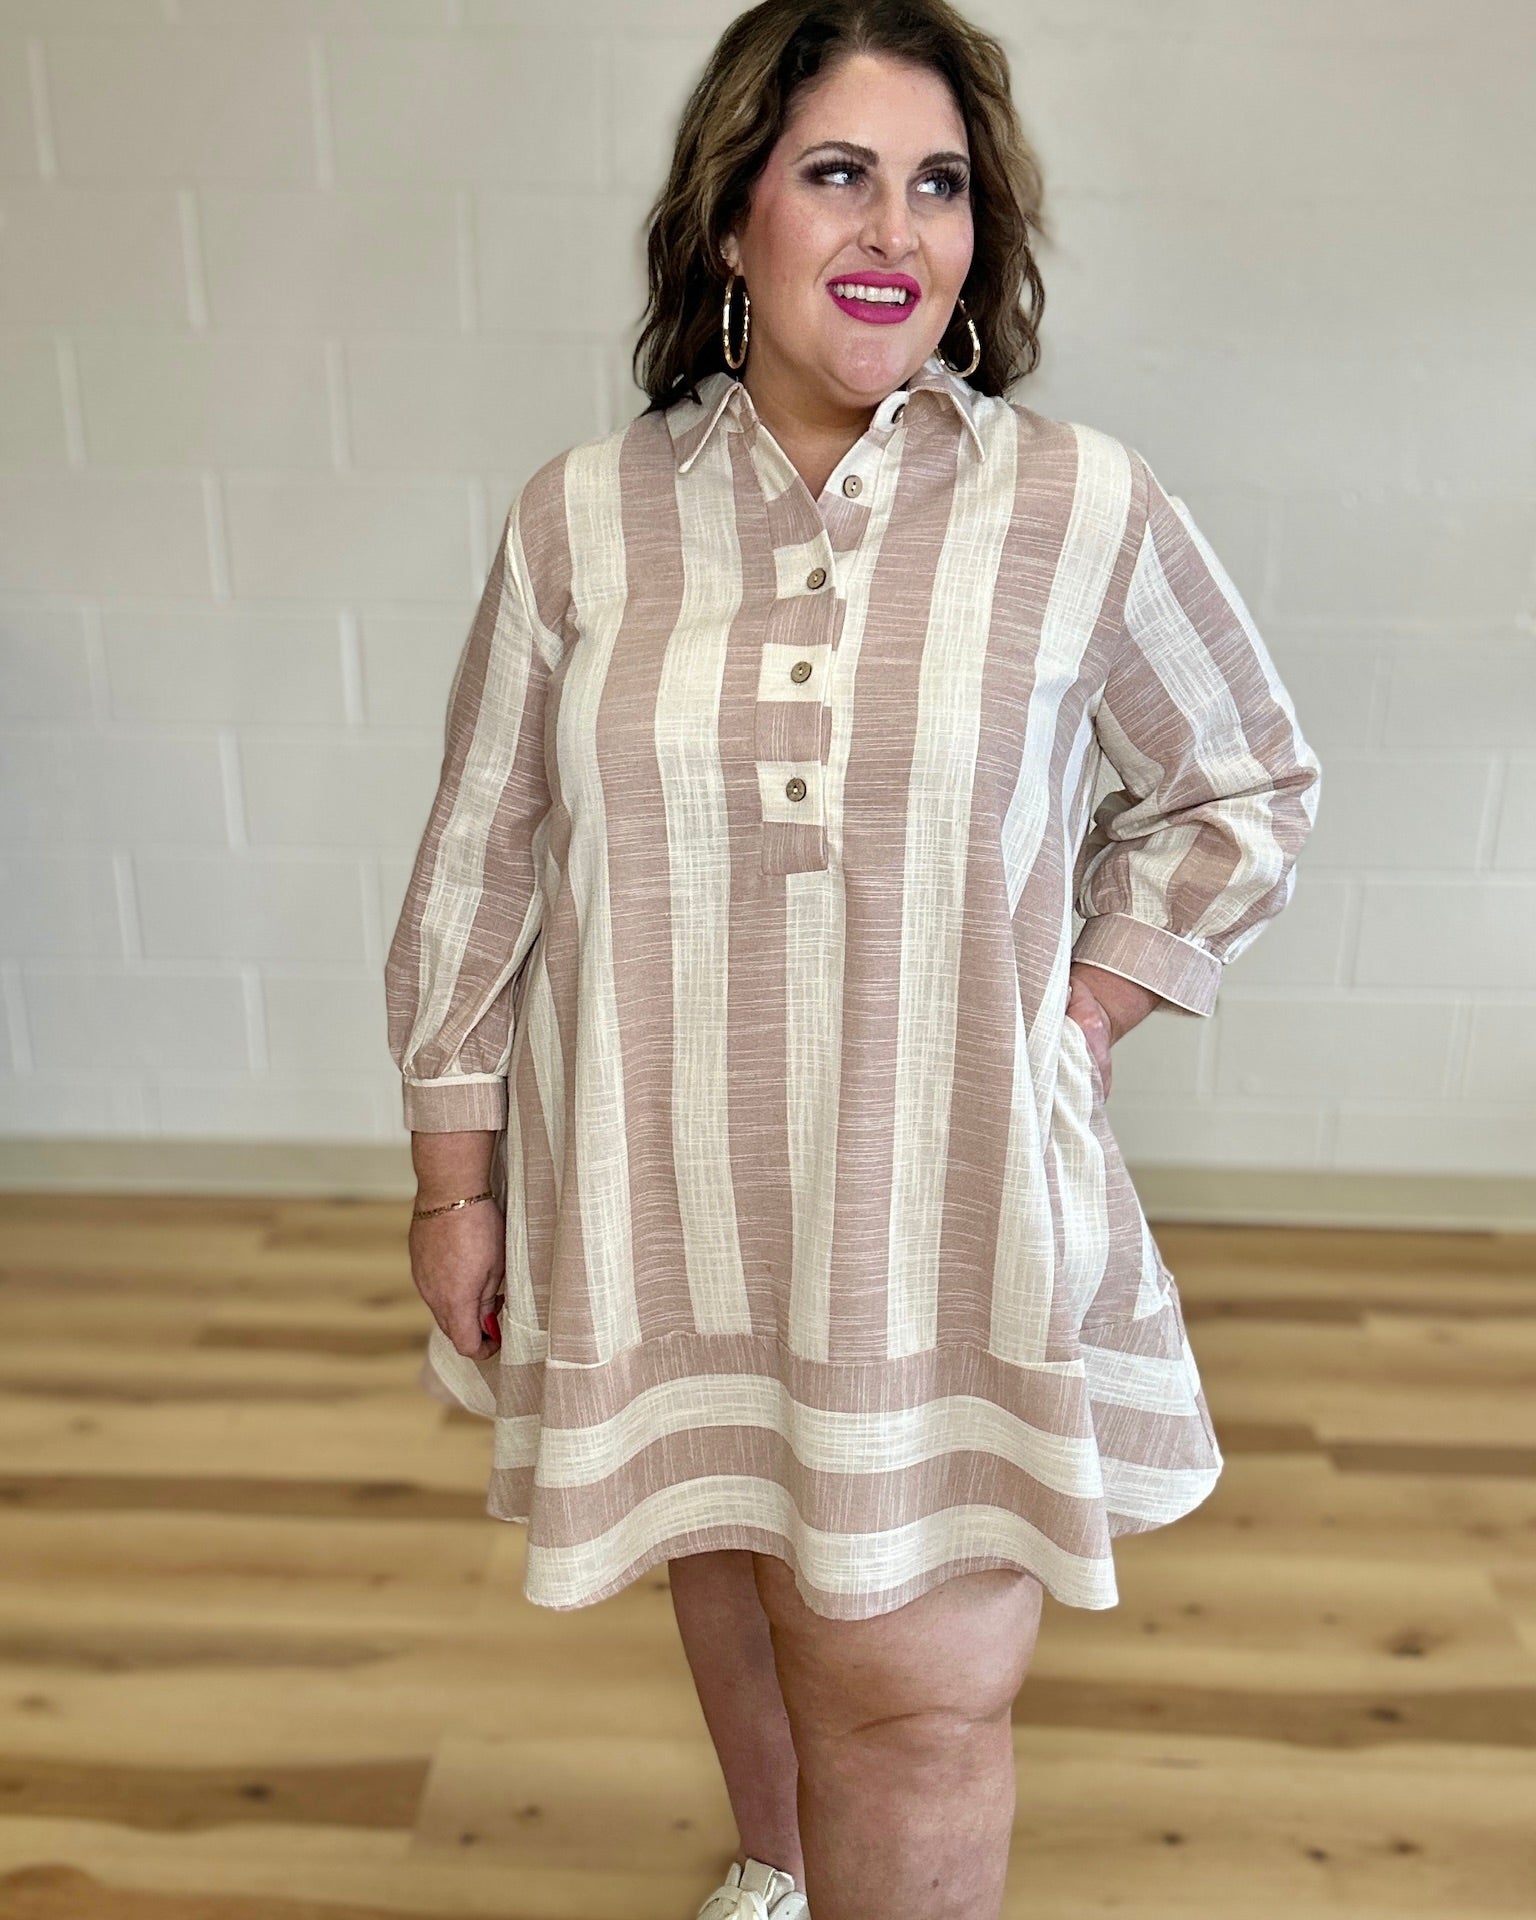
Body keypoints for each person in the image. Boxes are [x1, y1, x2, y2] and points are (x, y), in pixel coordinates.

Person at [384, 2, 1322, 1915]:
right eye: (839, 175)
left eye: (941, 186)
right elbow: (480, 856)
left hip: (940, 1205)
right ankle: (779, 1873)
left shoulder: (1078, 503)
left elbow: (1244, 781)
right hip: (659, 1191)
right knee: (728, 1545)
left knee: (913, 1701)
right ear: (733, 216)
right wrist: (452, 1185)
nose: (897, 230)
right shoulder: (581, 520)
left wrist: (1086, 1004)